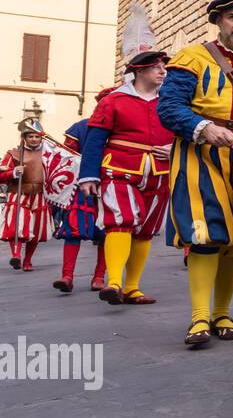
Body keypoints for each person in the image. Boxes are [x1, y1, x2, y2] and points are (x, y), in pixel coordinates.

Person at [158, 0, 233, 347]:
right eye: (232, 17)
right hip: (201, 156)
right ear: (218, 21)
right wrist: (205, 128)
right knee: (206, 235)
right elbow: (169, 107)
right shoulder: (191, 58)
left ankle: (222, 312)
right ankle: (198, 318)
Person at [76, 49, 172, 304]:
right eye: (157, 67)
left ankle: (131, 287)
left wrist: (176, 148)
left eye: (164, 67)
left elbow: (184, 129)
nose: (163, 71)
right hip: (119, 169)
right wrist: (87, 175)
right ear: (139, 71)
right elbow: (95, 140)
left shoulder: (171, 101)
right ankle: (114, 281)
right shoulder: (113, 100)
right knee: (121, 219)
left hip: (161, 173)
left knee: (146, 230)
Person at [51, 104, 109, 293]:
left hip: (111, 185)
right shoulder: (81, 126)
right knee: (73, 231)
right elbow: (68, 155)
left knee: (109, 232)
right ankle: (67, 276)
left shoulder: (122, 128)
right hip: (82, 187)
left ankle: (99, 277)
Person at [0, 119, 68, 271]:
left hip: (40, 195)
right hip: (18, 194)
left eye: (37, 136)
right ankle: (16, 255)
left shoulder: (48, 154)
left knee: (36, 230)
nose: (34, 139)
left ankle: (27, 260)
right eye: (30, 136)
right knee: (17, 226)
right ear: (24, 137)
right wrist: (13, 172)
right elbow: (1, 175)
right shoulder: (13, 154)